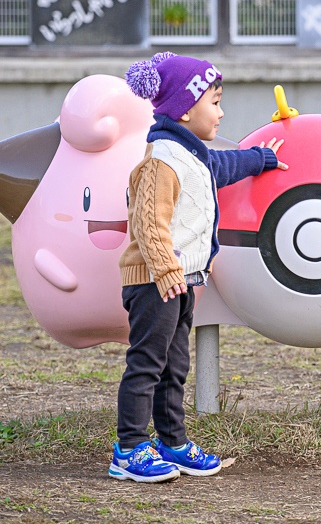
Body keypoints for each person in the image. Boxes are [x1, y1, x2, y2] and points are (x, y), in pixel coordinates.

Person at [110, 52, 287, 483]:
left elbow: (221, 167)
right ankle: (128, 449)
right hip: (157, 282)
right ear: (186, 108)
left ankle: (172, 442)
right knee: (147, 364)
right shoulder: (161, 161)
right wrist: (167, 272)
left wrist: (259, 159)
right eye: (216, 102)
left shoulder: (191, 153)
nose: (222, 112)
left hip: (181, 282)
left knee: (174, 367)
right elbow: (148, 223)